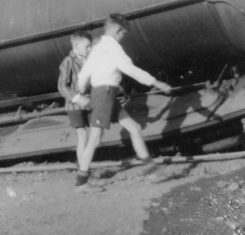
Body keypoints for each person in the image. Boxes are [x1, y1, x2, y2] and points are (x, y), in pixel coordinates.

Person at [74, 14, 172, 192]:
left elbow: (84, 73)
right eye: (123, 34)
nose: (122, 37)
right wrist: (156, 82)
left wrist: (81, 89)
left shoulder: (98, 48)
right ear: (117, 31)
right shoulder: (113, 47)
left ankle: (153, 172)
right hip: (104, 95)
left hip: (108, 95)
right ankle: (81, 183)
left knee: (134, 128)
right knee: (95, 139)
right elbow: (130, 69)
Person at [57, 30, 93, 165]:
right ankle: (83, 170)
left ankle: (85, 167)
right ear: (77, 47)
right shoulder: (67, 62)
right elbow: (62, 86)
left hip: (89, 102)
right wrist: (78, 98)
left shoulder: (88, 60)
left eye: (90, 46)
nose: (90, 49)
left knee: (92, 136)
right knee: (83, 135)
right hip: (75, 105)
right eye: (87, 46)